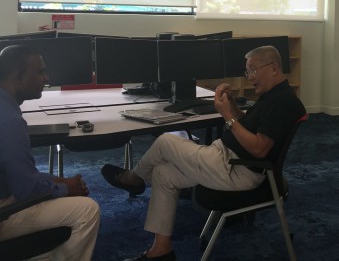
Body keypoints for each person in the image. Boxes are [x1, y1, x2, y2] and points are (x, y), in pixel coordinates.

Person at [101, 45, 306, 261]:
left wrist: (227, 116)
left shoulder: (283, 102)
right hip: (226, 159)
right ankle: (161, 250)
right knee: (163, 173)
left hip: (237, 169)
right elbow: (248, 125)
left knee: (164, 142)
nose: (250, 77)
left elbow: (259, 148)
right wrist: (232, 105)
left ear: (274, 68)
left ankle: (133, 178)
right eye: (248, 71)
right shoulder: (271, 95)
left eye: (253, 70)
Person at [0, 44, 100, 260]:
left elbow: (19, 174)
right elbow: (26, 189)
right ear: (18, 77)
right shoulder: (9, 121)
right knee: (87, 210)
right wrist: (67, 188)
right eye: (40, 72)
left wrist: (60, 181)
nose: (46, 78)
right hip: (3, 213)